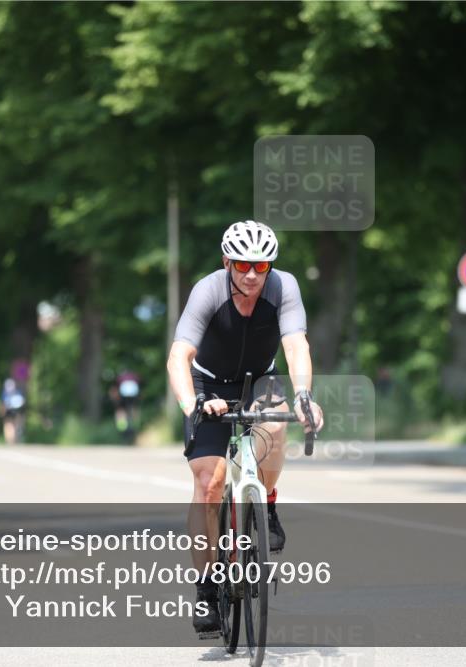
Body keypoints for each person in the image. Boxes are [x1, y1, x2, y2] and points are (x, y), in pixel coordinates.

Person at [166, 220, 324, 639]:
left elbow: (295, 345)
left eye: (261, 265)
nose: (252, 274)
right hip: (208, 385)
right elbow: (178, 355)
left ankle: (266, 504)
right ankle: (205, 587)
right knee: (210, 481)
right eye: (242, 265)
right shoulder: (208, 291)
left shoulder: (283, 288)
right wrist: (194, 404)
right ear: (227, 262)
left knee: (276, 419)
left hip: (260, 379)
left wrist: (305, 393)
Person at [0, 378, 26, 445]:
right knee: (10, 425)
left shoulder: (6, 393)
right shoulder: (14, 392)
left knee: (10, 425)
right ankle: (11, 439)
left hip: (12, 411)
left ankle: (10, 440)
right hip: (11, 411)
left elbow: (2, 404)